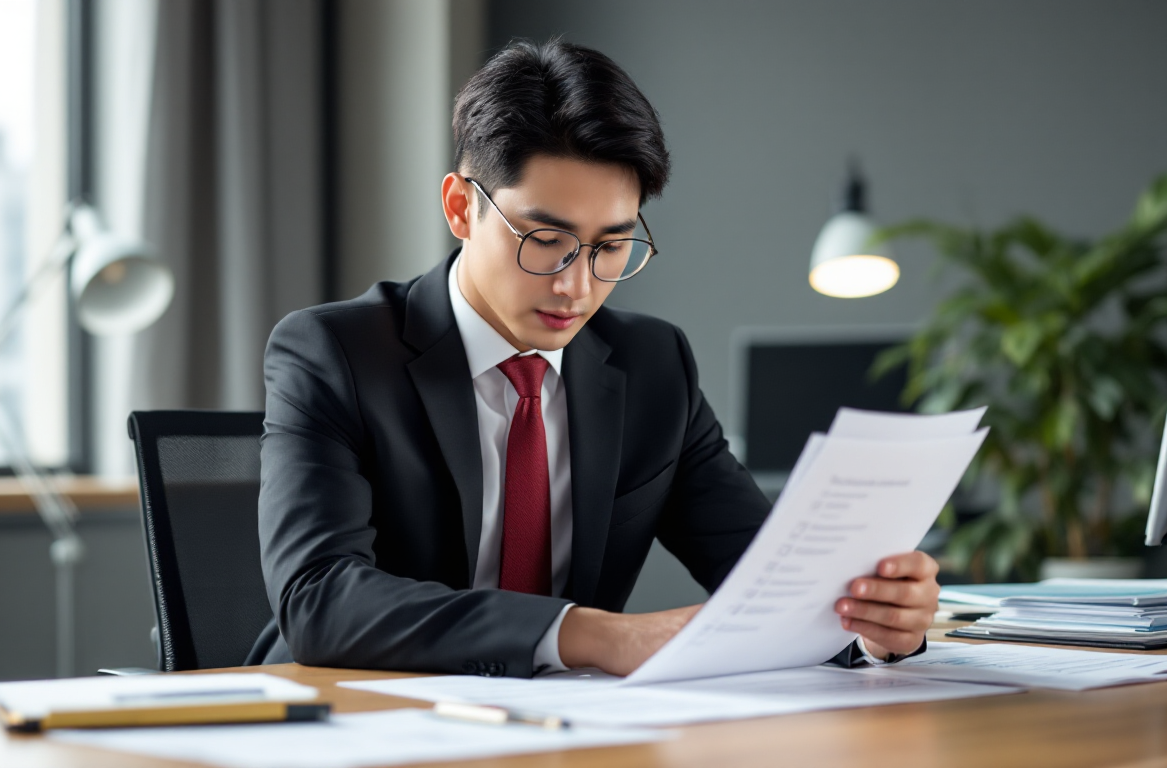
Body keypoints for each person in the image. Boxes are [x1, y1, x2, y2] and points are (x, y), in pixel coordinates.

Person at [248, 38, 937, 678]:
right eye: (545, 239)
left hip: (563, 731)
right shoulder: (334, 352)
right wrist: (600, 635)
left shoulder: (651, 364)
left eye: (611, 246)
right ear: (462, 208)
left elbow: (767, 580)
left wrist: (870, 623)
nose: (576, 286)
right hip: (349, 716)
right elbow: (320, 599)